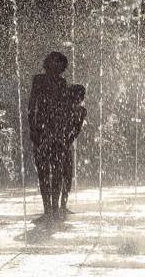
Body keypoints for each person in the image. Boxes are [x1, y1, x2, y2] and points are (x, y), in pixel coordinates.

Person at [28, 52, 68, 225]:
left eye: (60, 64)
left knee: (57, 170)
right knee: (44, 171)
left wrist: (64, 132)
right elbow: (32, 103)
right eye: (54, 62)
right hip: (42, 130)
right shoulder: (39, 80)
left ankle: (55, 209)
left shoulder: (62, 83)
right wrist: (32, 127)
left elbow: (65, 108)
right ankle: (48, 211)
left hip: (57, 131)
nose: (56, 67)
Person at [60, 84, 87, 219]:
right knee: (57, 175)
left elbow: (77, 130)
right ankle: (53, 207)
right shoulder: (62, 108)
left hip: (67, 143)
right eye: (76, 96)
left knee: (68, 175)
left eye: (81, 97)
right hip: (56, 143)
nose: (79, 99)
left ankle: (63, 205)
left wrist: (67, 142)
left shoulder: (82, 111)